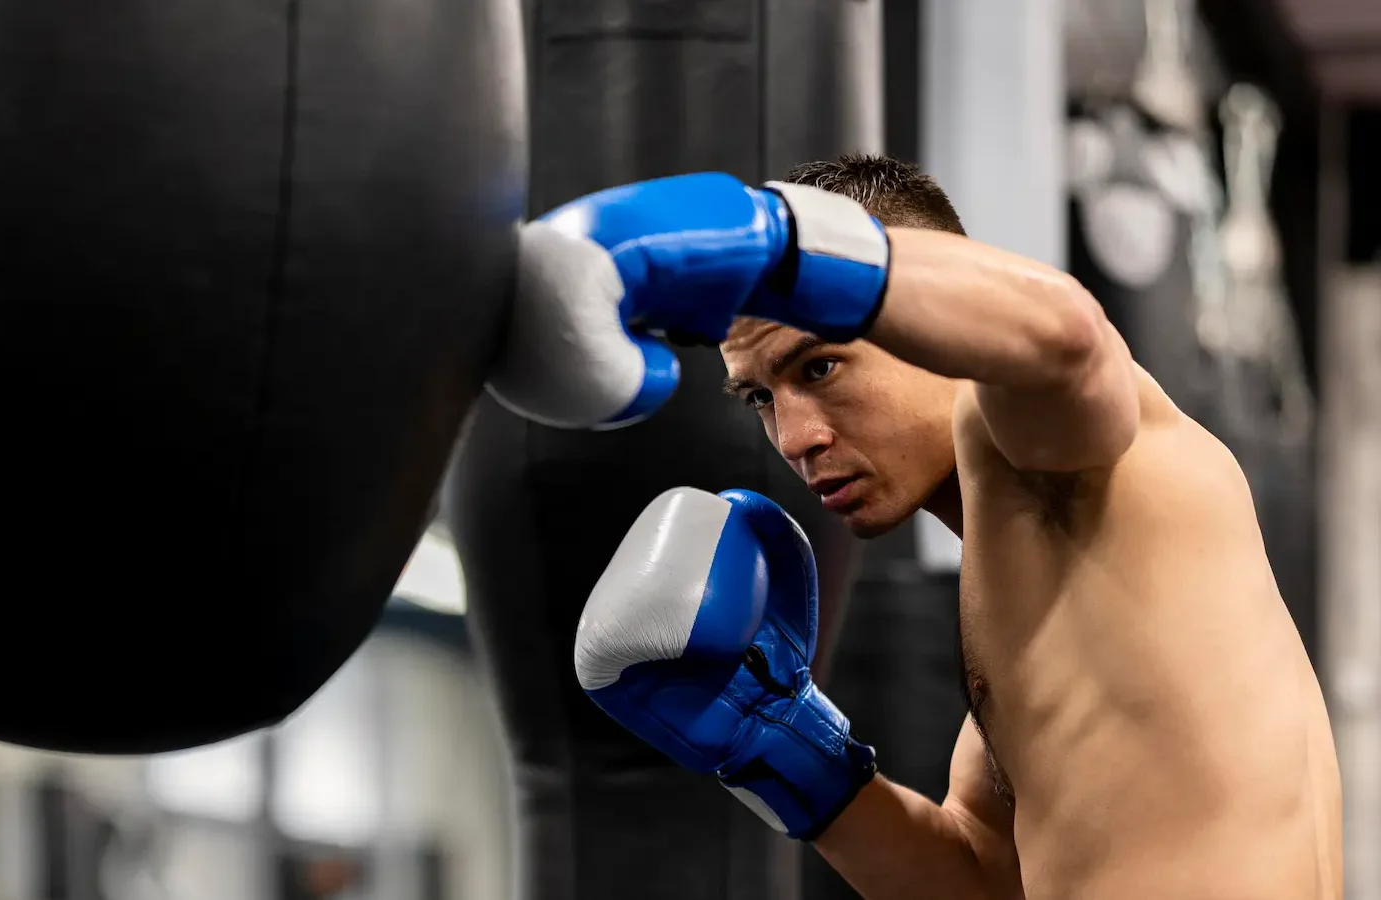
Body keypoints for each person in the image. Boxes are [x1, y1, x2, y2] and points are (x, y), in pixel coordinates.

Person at [500, 155, 1341, 898]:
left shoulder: (1061, 447)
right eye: (761, 397)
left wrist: (771, 244)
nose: (796, 439)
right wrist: (786, 750)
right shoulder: (1036, 607)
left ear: (924, 321)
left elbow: (1065, 343)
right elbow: (977, 878)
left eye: (820, 366)